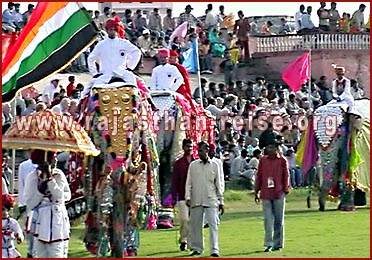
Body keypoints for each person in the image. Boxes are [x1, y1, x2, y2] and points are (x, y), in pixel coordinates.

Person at [24, 150, 71, 258]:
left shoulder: (59, 175)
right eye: (53, 157)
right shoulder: (32, 177)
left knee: (57, 252)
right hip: (41, 220)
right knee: (40, 253)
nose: (56, 159)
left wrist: (50, 180)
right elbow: (30, 203)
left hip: (58, 220)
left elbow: (63, 196)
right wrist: (40, 191)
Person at [185, 142, 224, 257]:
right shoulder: (193, 165)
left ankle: (214, 249)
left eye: (201, 150)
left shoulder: (215, 165)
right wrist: (187, 197)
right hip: (196, 198)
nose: (199, 153)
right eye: (198, 150)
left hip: (211, 198)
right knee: (196, 225)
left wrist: (221, 201)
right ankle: (197, 248)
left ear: (207, 150)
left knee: (213, 224)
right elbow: (189, 183)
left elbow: (219, 185)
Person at [254, 141, 290, 252]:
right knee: (268, 219)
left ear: (276, 148)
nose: (269, 149)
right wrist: (256, 190)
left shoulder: (282, 160)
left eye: (272, 147)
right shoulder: (263, 161)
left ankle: (278, 243)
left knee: (279, 220)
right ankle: (269, 243)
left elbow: (286, 175)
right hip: (266, 193)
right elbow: (259, 175)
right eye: (268, 147)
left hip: (279, 193)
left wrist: (286, 189)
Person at [87, 18, 141, 87]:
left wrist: (130, 67)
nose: (113, 32)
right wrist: (95, 73)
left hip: (122, 73)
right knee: (93, 89)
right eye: (111, 30)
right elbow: (90, 58)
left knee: (133, 85)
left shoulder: (124, 43)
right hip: (105, 75)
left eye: (114, 30)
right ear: (107, 30)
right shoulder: (101, 44)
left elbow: (136, 52)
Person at [171, 139, 195, 251]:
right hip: (182, 195)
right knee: (184, 219)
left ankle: (189, 242)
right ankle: (183, 239)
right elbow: (174, 181)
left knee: (192, 220)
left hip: (195, 195)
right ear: (183, 147)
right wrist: (173, 196)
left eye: (191, 146)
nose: (189, 149)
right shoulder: (178, 163)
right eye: (187, 146)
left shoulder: (197, 162)